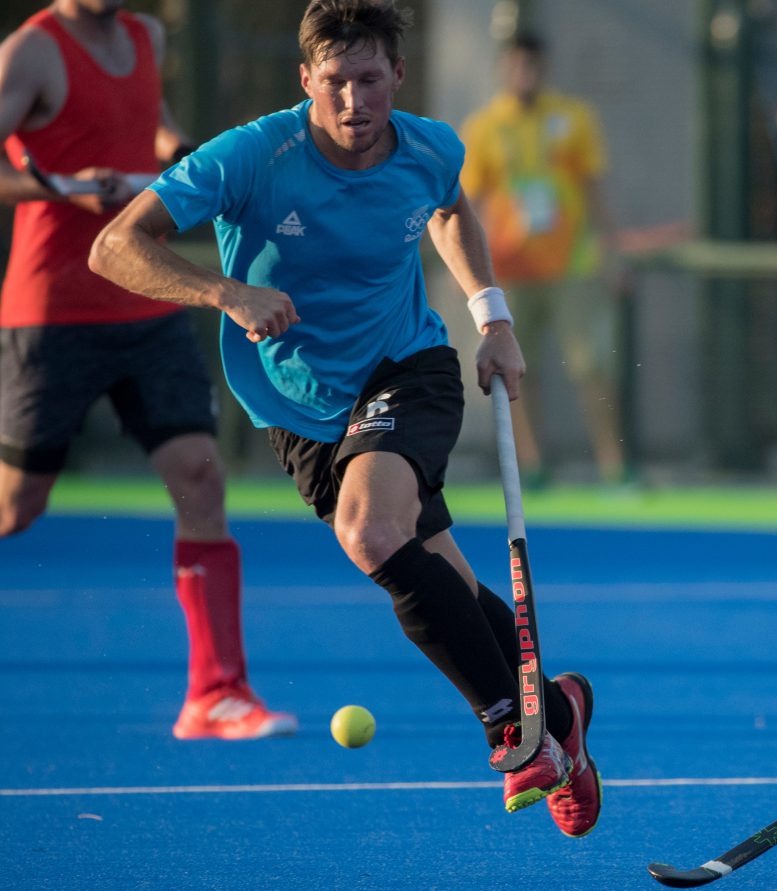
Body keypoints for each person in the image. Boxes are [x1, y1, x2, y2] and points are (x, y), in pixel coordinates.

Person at [88, 0, 600, 836]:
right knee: (436, 566)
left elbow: (449, 208)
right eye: (335, 83)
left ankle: (516, 726)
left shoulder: (430, 144)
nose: (355, 101)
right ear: (306, 82)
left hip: (409, 368)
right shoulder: (253, 155)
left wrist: (492, 317)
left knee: (369, 531)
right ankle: (561, 714)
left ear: (397, 75)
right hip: (297, 409)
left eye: (370, 79)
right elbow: (113, 245)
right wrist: (224, 290)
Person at [0, 0, 295, 741]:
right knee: (16, 506)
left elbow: (148, 117)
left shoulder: (145, 34)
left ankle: (216, 693)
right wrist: (62, 186)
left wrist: (177, 146)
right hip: (51, 311)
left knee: (201, 476)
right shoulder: (31, 52)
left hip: (146, 296)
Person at [460, 31, 627, 486]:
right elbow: (467, 203)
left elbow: (593, 188)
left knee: (592, 364)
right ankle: (531, 465)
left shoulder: (573, 119)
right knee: (517, 370)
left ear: (542, 68)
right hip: (512, 270)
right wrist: (475, 274)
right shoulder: (484, 128)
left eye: (530, 65)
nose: (523, 74)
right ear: (503, 68)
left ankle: (614, 465)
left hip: (572, 266)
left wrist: (613, 251)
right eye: (514, 65)